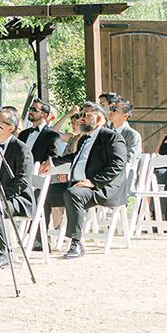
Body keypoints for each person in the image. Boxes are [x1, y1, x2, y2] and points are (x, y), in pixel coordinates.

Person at [46, 101, 134, 256]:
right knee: (44, 192)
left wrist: (94, 182)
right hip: (78, 184)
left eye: (85, 116)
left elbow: (117, 165)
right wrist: (52, 162)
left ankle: (76, 243)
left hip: (103, 188)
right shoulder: (84, 139)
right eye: (80, 115)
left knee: (73, 194)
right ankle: (40, 239)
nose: (80, 119)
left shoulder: (112, 137)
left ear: (99, 119)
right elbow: (76, 157)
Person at [0, 105, 35, 269]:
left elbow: (21, 183)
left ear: (10, 128)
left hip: (18, 199)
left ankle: (2, 253)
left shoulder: (22, 149)